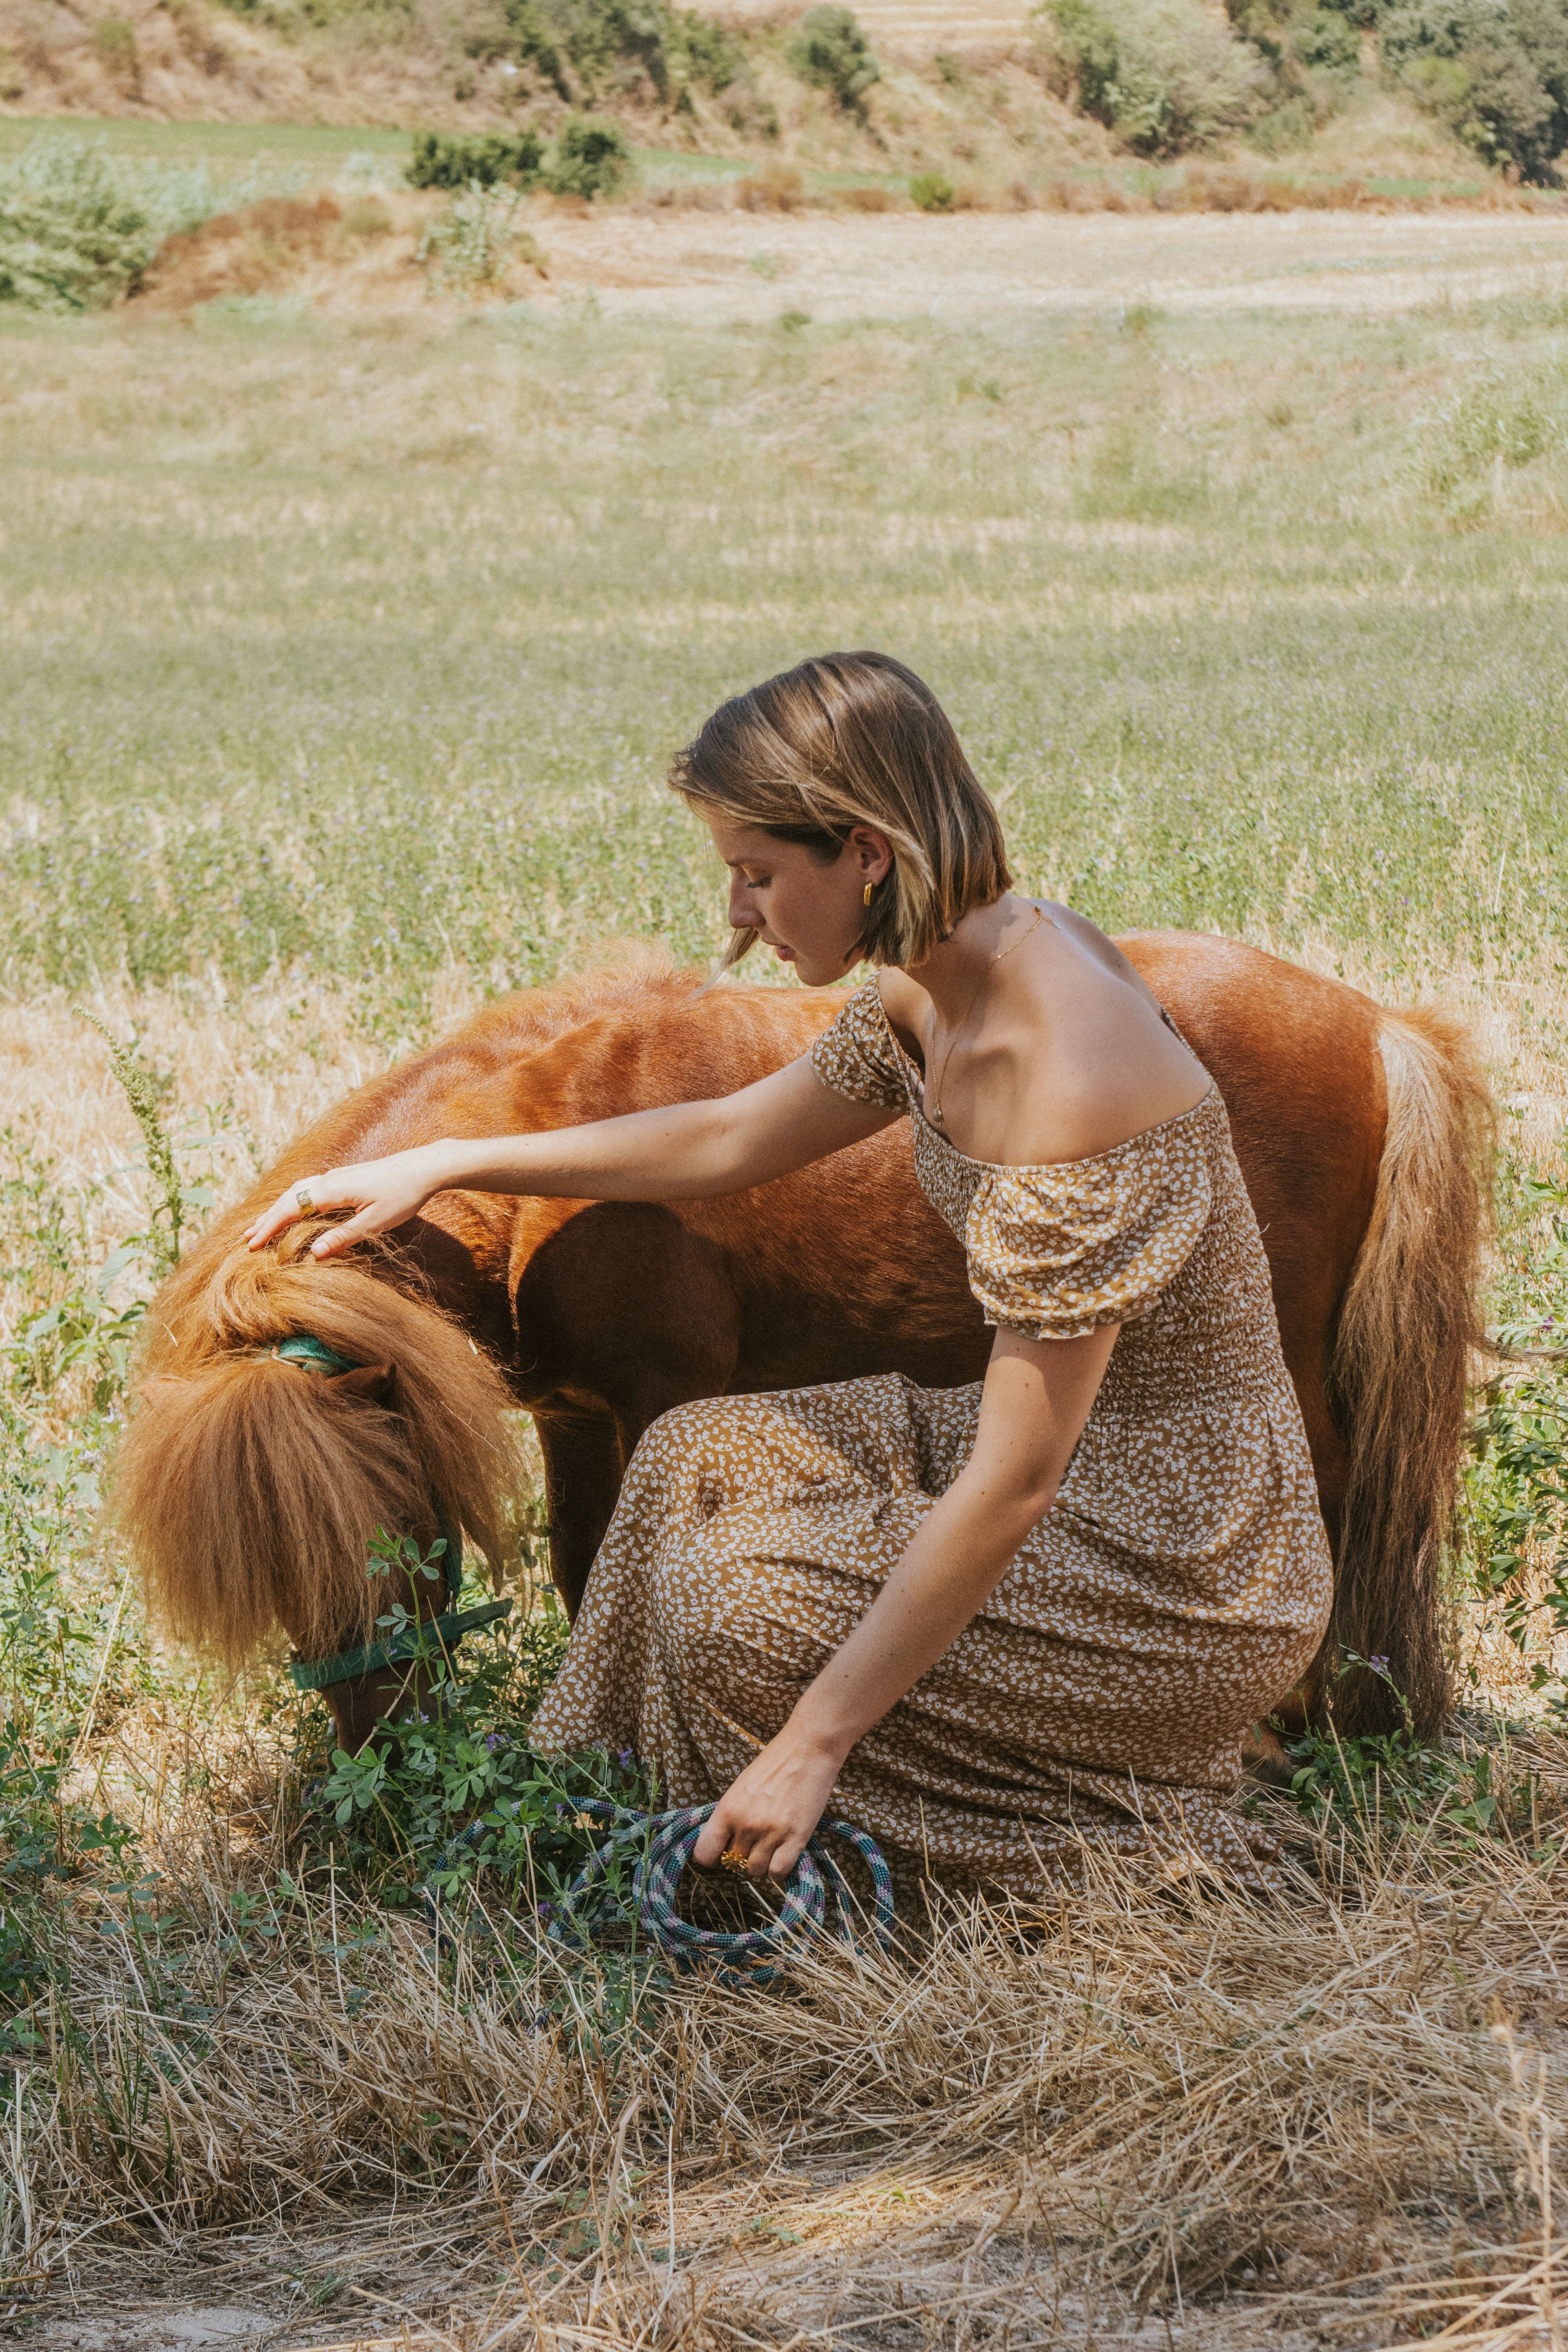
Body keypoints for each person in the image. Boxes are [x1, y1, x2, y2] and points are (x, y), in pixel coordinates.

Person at [246, 652, 1333, 1894]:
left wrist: (815, 1740)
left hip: (1180, 1554)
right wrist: (448, 1161)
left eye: (758, 875)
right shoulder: (944, 979)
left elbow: (1016, 1484)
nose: (737, 917)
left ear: (865, 851)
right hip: (1095, 1482)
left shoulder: (1062, 1074)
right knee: (685, 1461)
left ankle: (966, 1845)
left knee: (730, 1604)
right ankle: (629, 1806)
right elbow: (728, 1138)